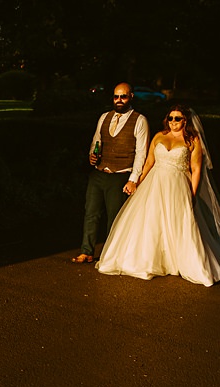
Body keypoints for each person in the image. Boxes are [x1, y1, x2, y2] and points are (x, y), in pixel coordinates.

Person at [96, 104, 220, 286]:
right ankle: (149, 260)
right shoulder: (159, 136)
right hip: (154, 183)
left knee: (180, 224)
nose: (173, 122)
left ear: (185, 121)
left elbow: (196, 169)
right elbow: (149, 163)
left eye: (178, 118)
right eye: (171, 118)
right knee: (150, 221)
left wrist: (193, 194)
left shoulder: (193, 140)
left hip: (178, 185)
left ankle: (186, 262)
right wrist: (135, 183)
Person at [73, 82, 150, 263]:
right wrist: (92, 156)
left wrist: (133, 179)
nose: (119, 100)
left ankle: (110, 255)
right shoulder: (104, 117)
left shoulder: (139, 120)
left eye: (123, 96)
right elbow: (96, 141)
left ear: (131, 96)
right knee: (91, 213)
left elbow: (141, 153)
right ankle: (87, 251)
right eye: (116, 96)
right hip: (100, 172)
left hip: (121, 174)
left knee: (115, 218)